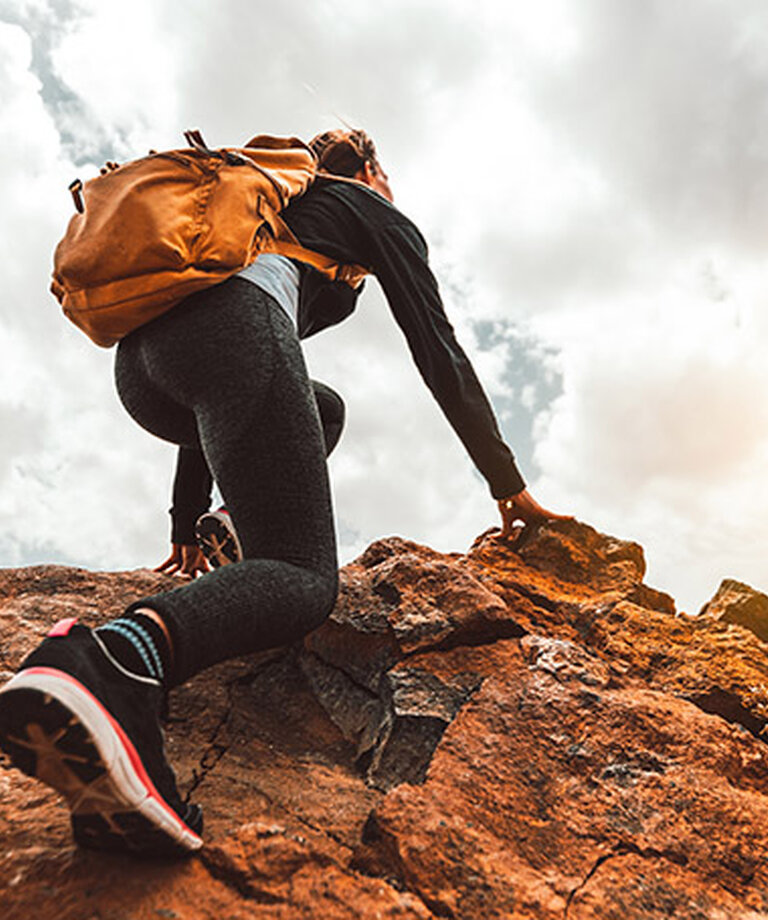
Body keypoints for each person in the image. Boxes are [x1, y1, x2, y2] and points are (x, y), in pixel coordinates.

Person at [0, 128, 567, 858]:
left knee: (317, 407)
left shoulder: (274, 205)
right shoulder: (368, 208)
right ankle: (111, 663)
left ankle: (226, 534)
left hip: (144, 370)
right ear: (370, 168)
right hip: (230, 336)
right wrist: (506, 480)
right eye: (385, 170)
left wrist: (186, 520)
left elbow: (218, 374)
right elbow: (437, 346)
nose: (388, 182)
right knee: (303, 577)